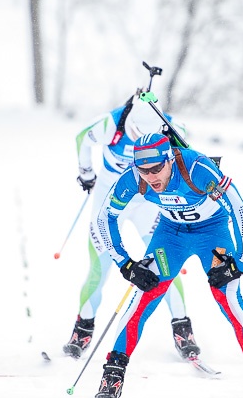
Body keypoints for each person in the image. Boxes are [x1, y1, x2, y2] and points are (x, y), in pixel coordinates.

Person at [91, 129, 243, 398]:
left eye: (156, 168)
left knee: (228, 298)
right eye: (143, 170)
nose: (150, 177)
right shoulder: (134, 178)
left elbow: (242, 214)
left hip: (211, 234)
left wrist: (239, 264)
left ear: (169, 159)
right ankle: (112, 378)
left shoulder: (197, 168)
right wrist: (125, 264)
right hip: (171, 235)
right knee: (142, 297)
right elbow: (105, 218)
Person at [63, 94, 201, 362]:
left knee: (165, 261)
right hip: (109, 196)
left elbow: (190, 157)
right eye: (136, 135)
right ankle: (83, 328)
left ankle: (182, 328)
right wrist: (86, 172)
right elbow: (82, 138)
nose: (141, 145)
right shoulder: (111, 125)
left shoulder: (171, 126)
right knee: (100, 265)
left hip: (147, 200)